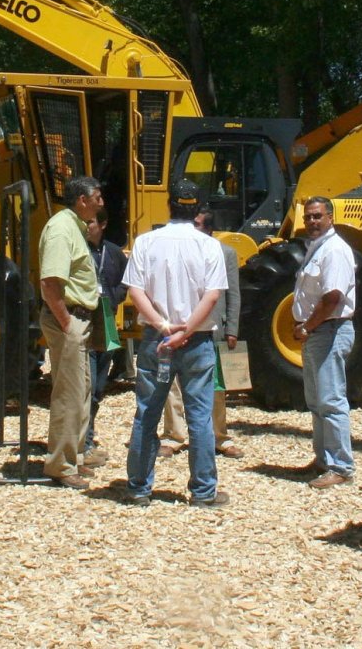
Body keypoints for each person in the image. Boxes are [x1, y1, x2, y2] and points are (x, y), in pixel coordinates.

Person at [122, 179, 228, 507]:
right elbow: (212, 296)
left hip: (157, 337)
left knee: (146, 413)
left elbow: (135, 291)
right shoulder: (210, 246)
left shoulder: (145, 242)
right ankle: (203, 491)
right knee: (199, 416)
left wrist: (163, 325)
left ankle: (139, 488)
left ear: (169, 204)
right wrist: (185, 331)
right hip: (196, 340)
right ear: (198, 209)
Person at [159, 208, 243, 459]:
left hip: (212, 327)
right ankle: (173, 435)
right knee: (171, 385)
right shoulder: (172, 250)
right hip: (175, 325)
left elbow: (233, 293)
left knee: (216, 386)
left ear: (209, 230)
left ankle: (219, 436)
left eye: (196, 225)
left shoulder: (224, 253)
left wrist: (232, 329)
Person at [38, 176, 105, 490]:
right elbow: (50, 283)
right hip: (68, 319)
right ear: (82, 199)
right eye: (98, 197)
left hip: (78, 320)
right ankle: (61, 466)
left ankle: (74, 457)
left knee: (81, 392)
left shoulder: (74, 226)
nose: (101, 203)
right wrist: (67, 324)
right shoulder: (61, 229)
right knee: (68, 395)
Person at [291, 195, 356, 490]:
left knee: (331, 400)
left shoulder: (335, 251)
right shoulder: (317, 249)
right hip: (319, 333)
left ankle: (341, 467)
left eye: (318, 216)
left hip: (329, 330)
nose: (312, 222)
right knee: (316, 402)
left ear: (330, 217)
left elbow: (333, 298)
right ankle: (323, 460)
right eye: (308, 217)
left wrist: (307, 327)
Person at [83, 208, 127, 456]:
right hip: (86, 321)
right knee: (86, 385)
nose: (87, 226)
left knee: (99, 385)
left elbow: (127, 278)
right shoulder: (79, 250)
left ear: (103, 224)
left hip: (108, 320)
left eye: (90, 222)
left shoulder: (113, 252)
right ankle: (84, 442)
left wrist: (116, 296)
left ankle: (88, 435)